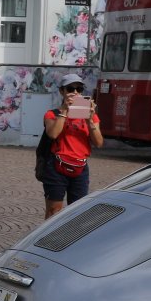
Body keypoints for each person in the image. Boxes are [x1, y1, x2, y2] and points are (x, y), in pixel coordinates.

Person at [42, 74, 104, 219]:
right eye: (70, 89)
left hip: (80, 168)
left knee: (77, 212)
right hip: (56, 167)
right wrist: (64, 111)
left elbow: (99, 143)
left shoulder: (90, 116)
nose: (75, 92)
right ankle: (50, 234)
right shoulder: (52, 114)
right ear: (62, 91)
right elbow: (53, 134)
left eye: (79, 89)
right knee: (53, 210)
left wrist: (89, 120)